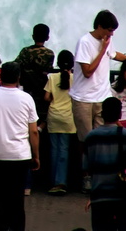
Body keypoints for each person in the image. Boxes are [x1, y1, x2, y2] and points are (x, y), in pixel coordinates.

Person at [70, 10, 126, 192]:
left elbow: (114, 55)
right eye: (109, 30)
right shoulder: (85, 42)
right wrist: (102, 50)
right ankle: (86, 177)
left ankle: (102, 175)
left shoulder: (106, 41)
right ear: (99, 26)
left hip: (101, 96)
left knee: (104, 138)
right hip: (83, 98)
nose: (111, 34)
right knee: (85, 139)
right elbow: (88, 71)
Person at [0, 61, 39, 231]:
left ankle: (1, 225)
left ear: (1, 76)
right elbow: (33, 131)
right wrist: (36, 156)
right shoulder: (26, 98)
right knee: (17, 198)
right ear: (18, 77)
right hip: (20, 156)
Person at [83, 97, 126, 231]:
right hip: (125, 196)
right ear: (120, 115)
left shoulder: (91, 137)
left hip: (100, 197)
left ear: (102, 114)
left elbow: (86, 166)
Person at [43, 50, 77, 195]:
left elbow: (46, 97)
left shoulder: (52, 77)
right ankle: (61, 182)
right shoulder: (75, 78)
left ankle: (53, 181)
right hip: (67, 118)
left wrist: (55, 101)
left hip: (53, 116)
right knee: (64, 150)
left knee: (54, 150)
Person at [15, 24, 55, 125]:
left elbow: (16, 64)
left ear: (33, 36)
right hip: (42, 89)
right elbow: (48, 69)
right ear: (47, 37)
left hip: (28, 89)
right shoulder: (50, 54)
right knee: (41, 116)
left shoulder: (25, 51)